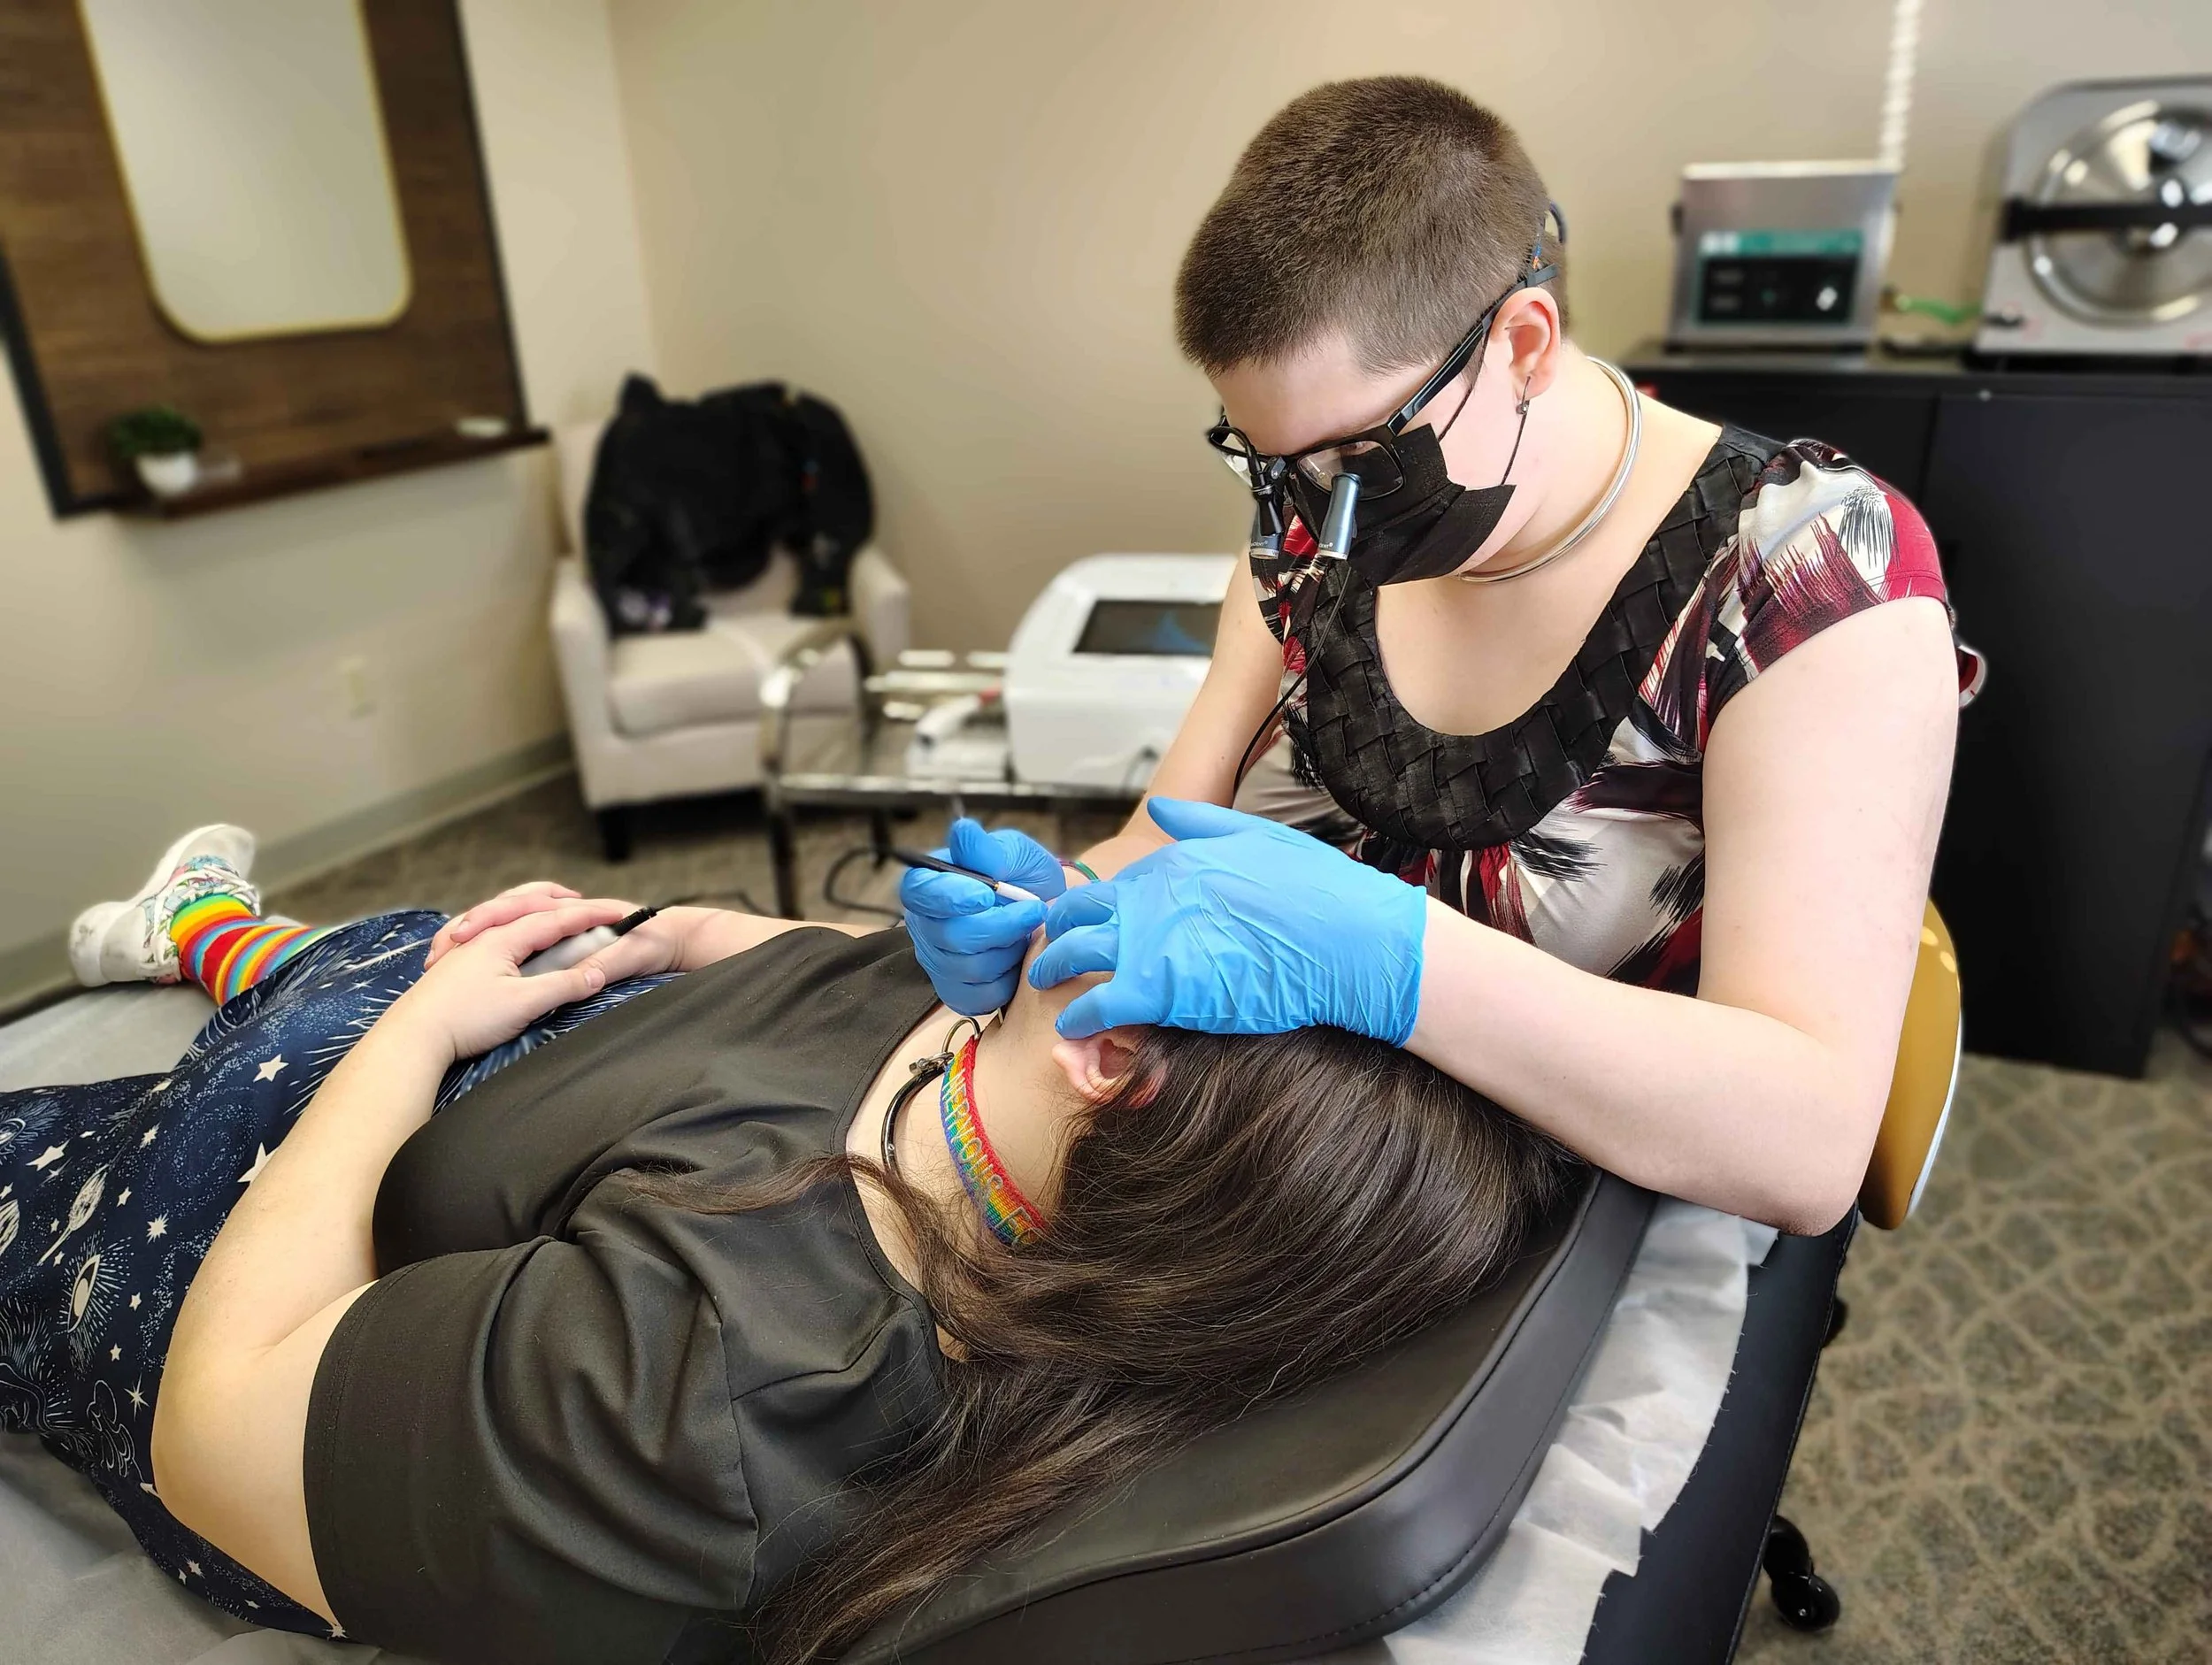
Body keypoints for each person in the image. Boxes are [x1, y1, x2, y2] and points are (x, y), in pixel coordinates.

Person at [6, 825, 1577, 1665]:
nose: (1089, 873)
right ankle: (211, 930)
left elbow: (220, 1427)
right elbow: (797, 974)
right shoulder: (1027, 1094)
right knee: (354, 958)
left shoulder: (703, 1399)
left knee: (299, 1024)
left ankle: (244, 959)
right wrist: (692, 937)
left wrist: (412, 1039)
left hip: (236, 1237)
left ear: (1117, 1055)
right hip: (510, 1028)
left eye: (1135, 893)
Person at [902, 77, 1973, 1238]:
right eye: (1276, 467)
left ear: (1523, 343)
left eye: (1363, 458)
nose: (1322, 522)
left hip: (1568, 1216)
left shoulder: (1808, 581)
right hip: (1283, 1165)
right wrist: (1063, 905)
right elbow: (1165, 837)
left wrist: (1402, 964)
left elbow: (1807, 1144)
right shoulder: (1308, 538)